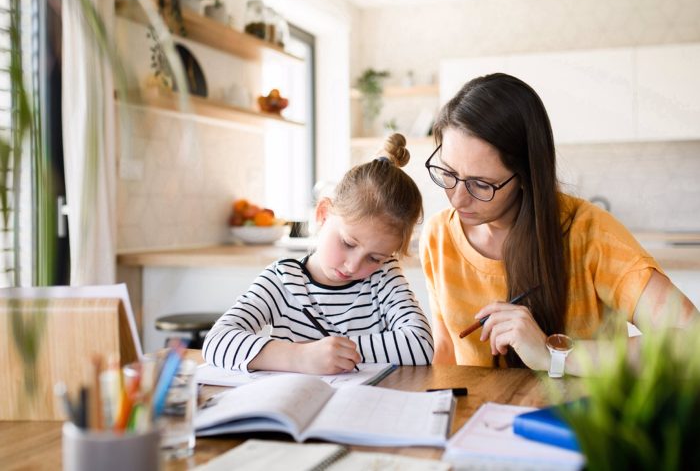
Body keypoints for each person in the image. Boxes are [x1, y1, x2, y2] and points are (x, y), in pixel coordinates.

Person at [420, 73, 698, 375]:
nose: (457, 199)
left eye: (481, 184)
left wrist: (552, 354)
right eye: (447, 173)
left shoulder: (590, 233)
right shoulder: (438, 235)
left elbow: (691, 341)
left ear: (525, 176)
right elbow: (444, 351)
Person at [204, 133, 433, 374]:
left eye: (374, 258)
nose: (354, 266)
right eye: (348, 243)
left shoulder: (384, 277)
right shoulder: (282, 280)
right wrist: (300, 357)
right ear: (323, 214)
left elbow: (421, 344)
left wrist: (334, 352)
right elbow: (217, 341)